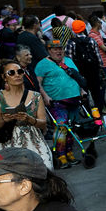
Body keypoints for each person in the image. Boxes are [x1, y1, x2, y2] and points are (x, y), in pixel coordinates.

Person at [0, 60, 51, 169]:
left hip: (35, 141)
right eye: (11, 73)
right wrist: (5, 119)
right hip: (10, 144)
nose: (17, 75)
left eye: (19, 71)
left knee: (45, 170)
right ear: (4, 77)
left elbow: (43, 123)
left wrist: (30, 119)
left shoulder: (35, 96)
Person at [35, 39, 83, 169]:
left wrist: (82, 90)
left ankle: (69, 153)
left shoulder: (68, 61)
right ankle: (61, 156)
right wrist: (45, 96)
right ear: (49, 51)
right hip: (56, 101)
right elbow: (38, 83)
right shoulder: (42, 65)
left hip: (74, 99)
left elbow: (77, 76)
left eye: (60, 48)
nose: (58, 51)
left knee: (71, 127)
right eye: (54, 49)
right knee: (62, 127)